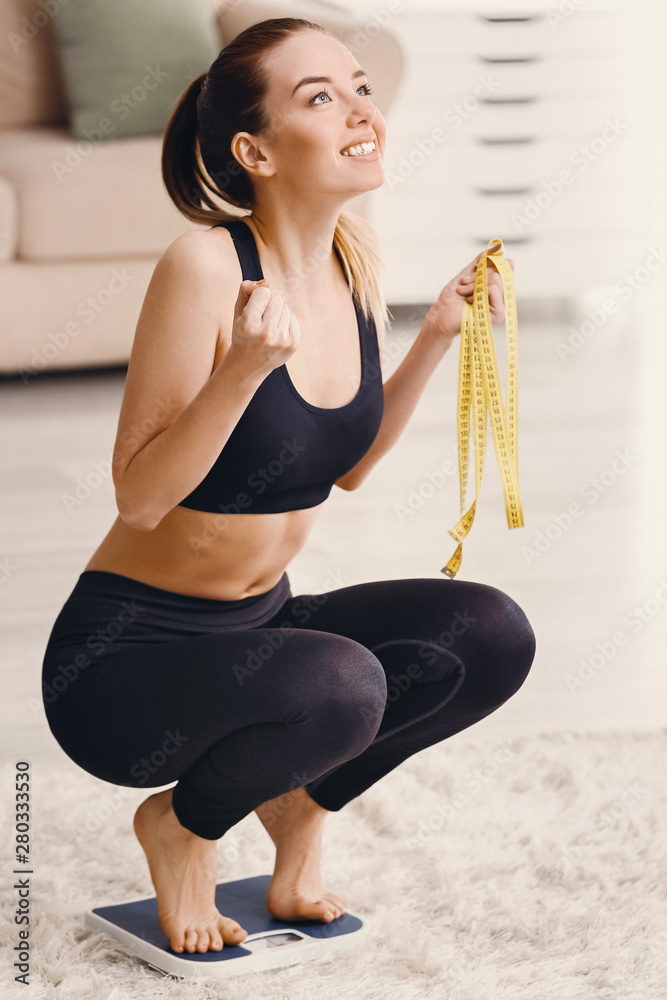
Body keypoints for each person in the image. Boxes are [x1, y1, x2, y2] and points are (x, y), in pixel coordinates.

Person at [41, 17, 536, 958]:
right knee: (345, 686)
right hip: (126, 662)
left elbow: (343, 466)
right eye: (321, 97)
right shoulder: (204, 266)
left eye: (359, 86)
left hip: (258, 634)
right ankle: (182, 826)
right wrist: (237, 375)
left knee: (488, 634)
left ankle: (298, 802)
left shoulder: (350, 262)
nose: (361, 110)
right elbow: (140, 498)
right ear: (253, 150)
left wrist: (434, 335)